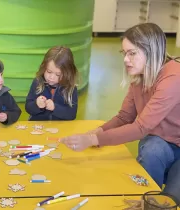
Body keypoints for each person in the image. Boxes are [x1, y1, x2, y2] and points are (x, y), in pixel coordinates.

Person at [60, 23, 180, 204]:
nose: (125, 59)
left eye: (132, 53)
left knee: (170, 202)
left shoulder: (173, 78)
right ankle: (146, 199)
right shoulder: (140, 77)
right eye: (124, 53)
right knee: (152, 150)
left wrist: (93, 140)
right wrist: (97, 132)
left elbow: (141, 127)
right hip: (163, 145)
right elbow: (125, 117)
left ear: (151, 51)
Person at [25, 46, 78, 121]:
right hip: (38, 127)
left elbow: (71, 114)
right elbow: (28, 107)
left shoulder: (71, 88)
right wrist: (36, 104)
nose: (51, 77)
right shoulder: (37, 82)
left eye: (58, 74)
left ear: (67, 73)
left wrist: (55, 108)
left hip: (60, 128)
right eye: (49, 72)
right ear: (44, 67)